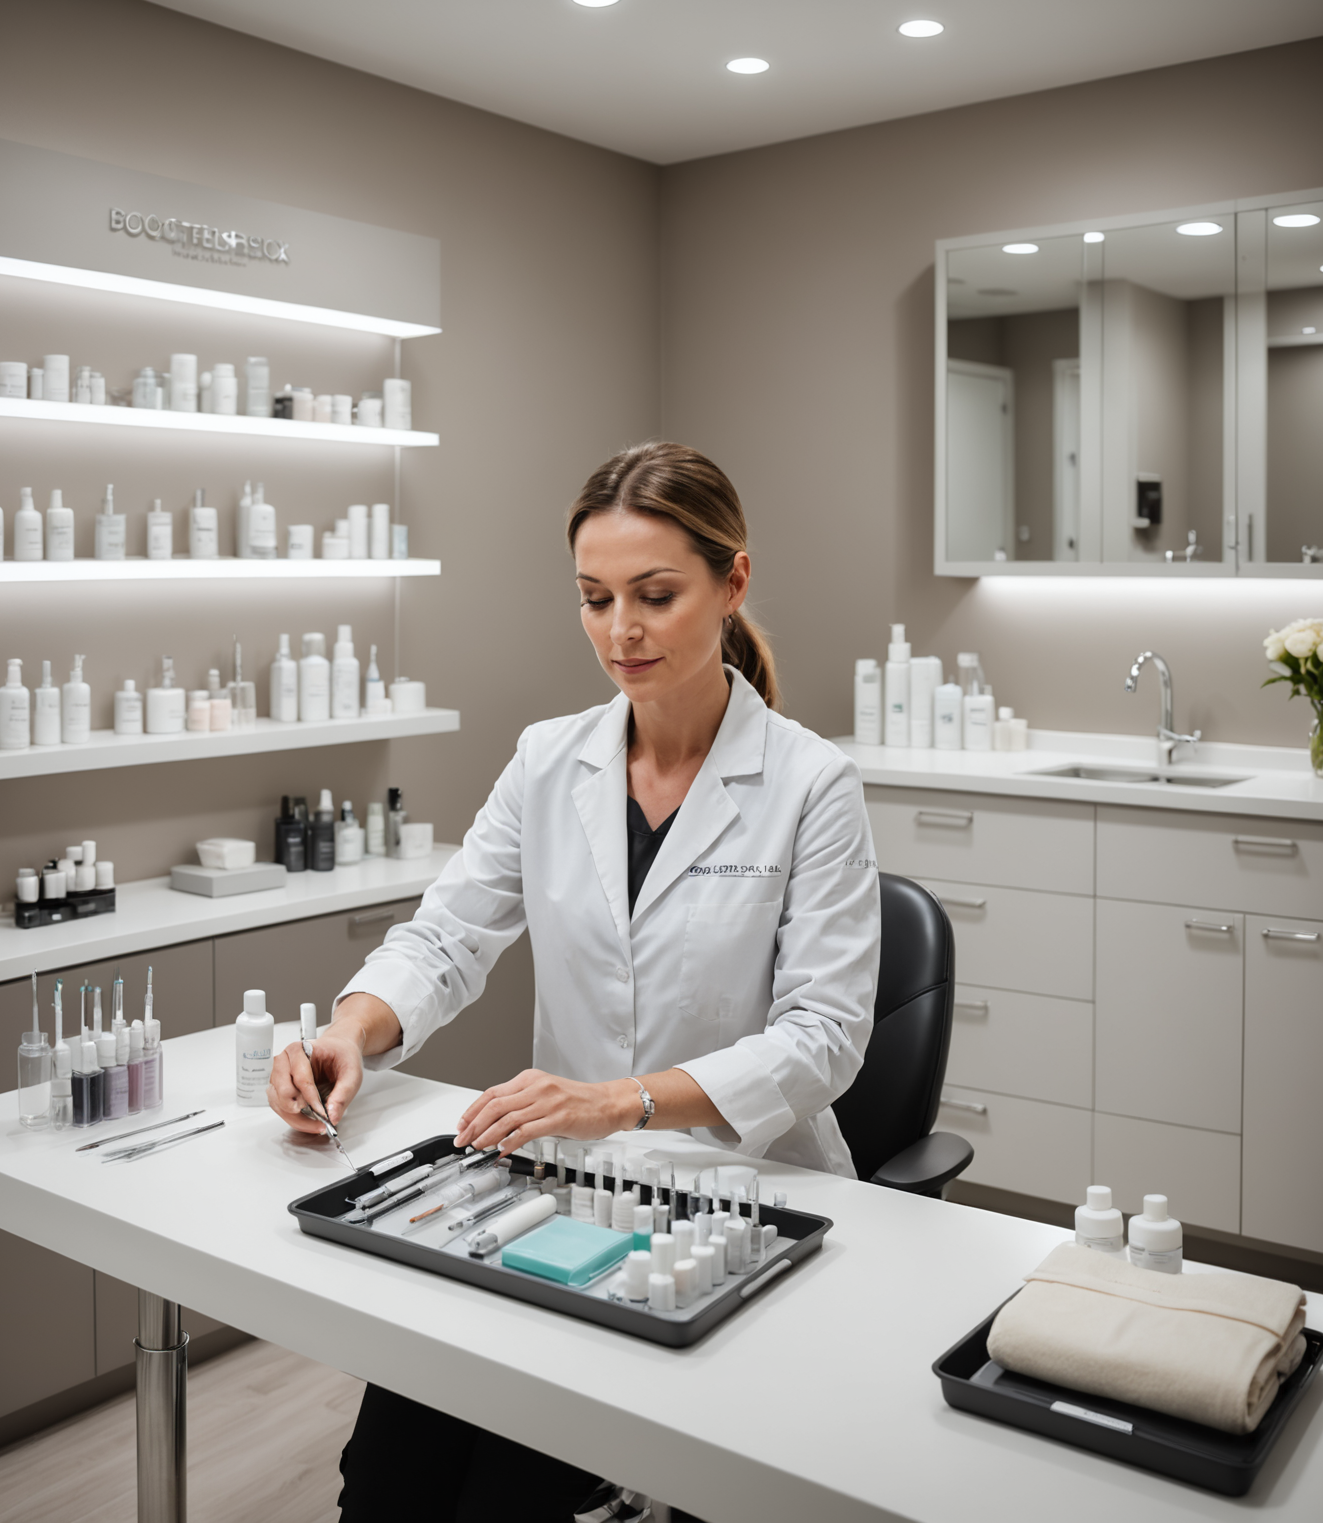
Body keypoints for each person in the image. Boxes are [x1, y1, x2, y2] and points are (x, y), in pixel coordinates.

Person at [269, 441, 881, 1523]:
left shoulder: (810, 784)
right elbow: (449, 935)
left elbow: (824, 1037)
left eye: (655, 596)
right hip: (562, 1189)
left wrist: (619, 1100)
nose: (620, 632)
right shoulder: (551, 761)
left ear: (733, 582)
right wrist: (353, 1031)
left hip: (734, 1193)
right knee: (386, 1482)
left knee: (510, 1498)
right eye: (595, 599)